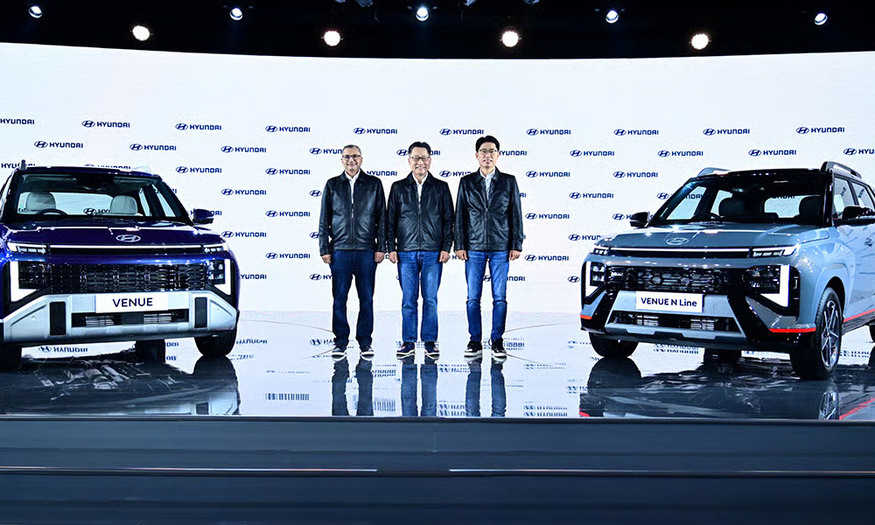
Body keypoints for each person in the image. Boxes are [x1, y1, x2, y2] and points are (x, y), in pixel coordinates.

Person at [454, 135, 524, 359]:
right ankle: (475, 341)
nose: (487, 155)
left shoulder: (508, 181)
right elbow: (460, 216)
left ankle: (497, 340)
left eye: (492, 151)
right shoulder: (466, 182)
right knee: (473, 297)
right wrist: (460, 244)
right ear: (476, 155)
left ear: (498, 155)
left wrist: (516, 244)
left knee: (499, 297)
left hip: (500, 247)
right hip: (473, 247)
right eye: (483, 151)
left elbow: (515, 213)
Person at [318, 144, 386, 361]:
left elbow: (382, 218)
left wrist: (381, 247)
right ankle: (340, 341)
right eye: (347, 156)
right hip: (340, 250)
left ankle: (365, 341)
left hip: (367, 250)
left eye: (355, 156)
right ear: (341, 160)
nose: (351, 160)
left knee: (366, 298)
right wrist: (325, 248)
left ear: (361, 159)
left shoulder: (374, 184)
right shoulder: (332, 185)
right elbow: (324, 219)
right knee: (339, 298)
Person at [386, 141, 454, 361]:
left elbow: (448, 220)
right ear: (409, 161)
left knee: (430, 299)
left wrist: (446, 247)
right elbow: (390, 220)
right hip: (405, 252)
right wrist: (391, 247)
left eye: (424, 157)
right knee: (408, 299)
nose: (420, 162)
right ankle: (408, 342)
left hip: (433, 252)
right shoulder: (398, 187)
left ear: (430, 160)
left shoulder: (441, 187)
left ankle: (430, 342)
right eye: (415, 158)